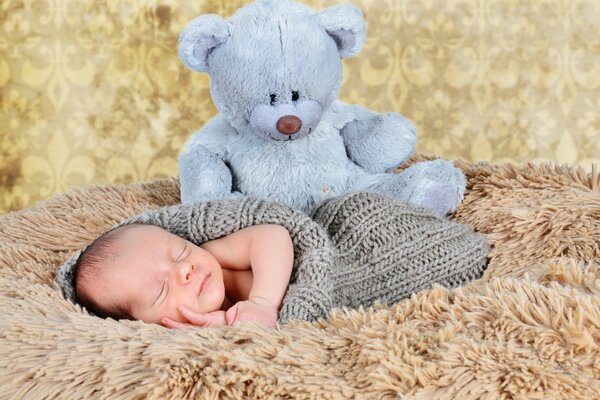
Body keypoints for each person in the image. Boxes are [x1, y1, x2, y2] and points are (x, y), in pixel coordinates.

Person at [73, 223, 294, 329]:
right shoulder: (186, 337)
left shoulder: (216, 256)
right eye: (162, 289)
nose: (183, 269)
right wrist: (226, 324)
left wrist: (262, 303)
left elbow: (273, 237)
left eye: (181, 251)